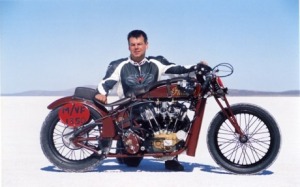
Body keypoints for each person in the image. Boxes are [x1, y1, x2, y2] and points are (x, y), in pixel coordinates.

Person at [95, 30, 207, 171]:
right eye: (133, 44)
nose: (136, 47)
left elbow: (176, 68)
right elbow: (106, 81)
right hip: (130, 114)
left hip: (153, 111)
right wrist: (102, 93)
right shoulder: (119, 65)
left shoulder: (156, 63)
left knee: (175, 115)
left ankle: (171, 158)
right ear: (128, 47)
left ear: (146, 45)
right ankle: (123, 146)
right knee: (131, 162)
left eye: (140, 44)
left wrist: (196, 67)